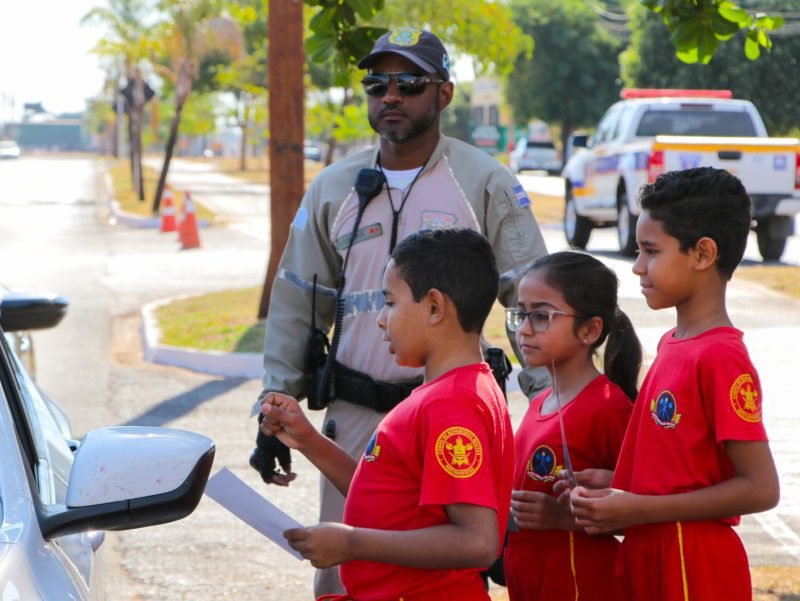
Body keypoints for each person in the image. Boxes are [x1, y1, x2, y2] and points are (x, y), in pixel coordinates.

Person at [249, 26, 547, 596]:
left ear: (444, 93)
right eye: (376, 83)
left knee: (444, 565)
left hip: (450, 420)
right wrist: (274, 407)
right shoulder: (333, 188)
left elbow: (533, 302)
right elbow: (296, 303)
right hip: (355, 415)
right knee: (342, 577)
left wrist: (551, 410)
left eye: (409, 82)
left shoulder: (486, 183)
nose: (390, 96)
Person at [259, 228, 514, 601]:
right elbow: (386, 500)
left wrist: (353, 543)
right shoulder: (446, 393)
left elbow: (478, 542)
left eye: (390, 303)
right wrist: (308, 440)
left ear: (433, 307)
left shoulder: (450, 405)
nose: (381, 319)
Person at [568, 167, 780, 601]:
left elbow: (760, 487)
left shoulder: (720, 357)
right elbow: (685, 470)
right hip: (653, 552)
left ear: (703, 254)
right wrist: (616, 484)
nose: (638, 268)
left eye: (651, 251)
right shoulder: (672, 343)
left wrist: (639, 507)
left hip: (691, 560)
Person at [503, 251, 642, 600]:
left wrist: (563, 518)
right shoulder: (539, 403)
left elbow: (648, 514)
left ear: (590, 329)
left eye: (541, 316)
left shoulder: (608, 409)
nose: (524, 328)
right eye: (521, 313)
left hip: (585, 584)